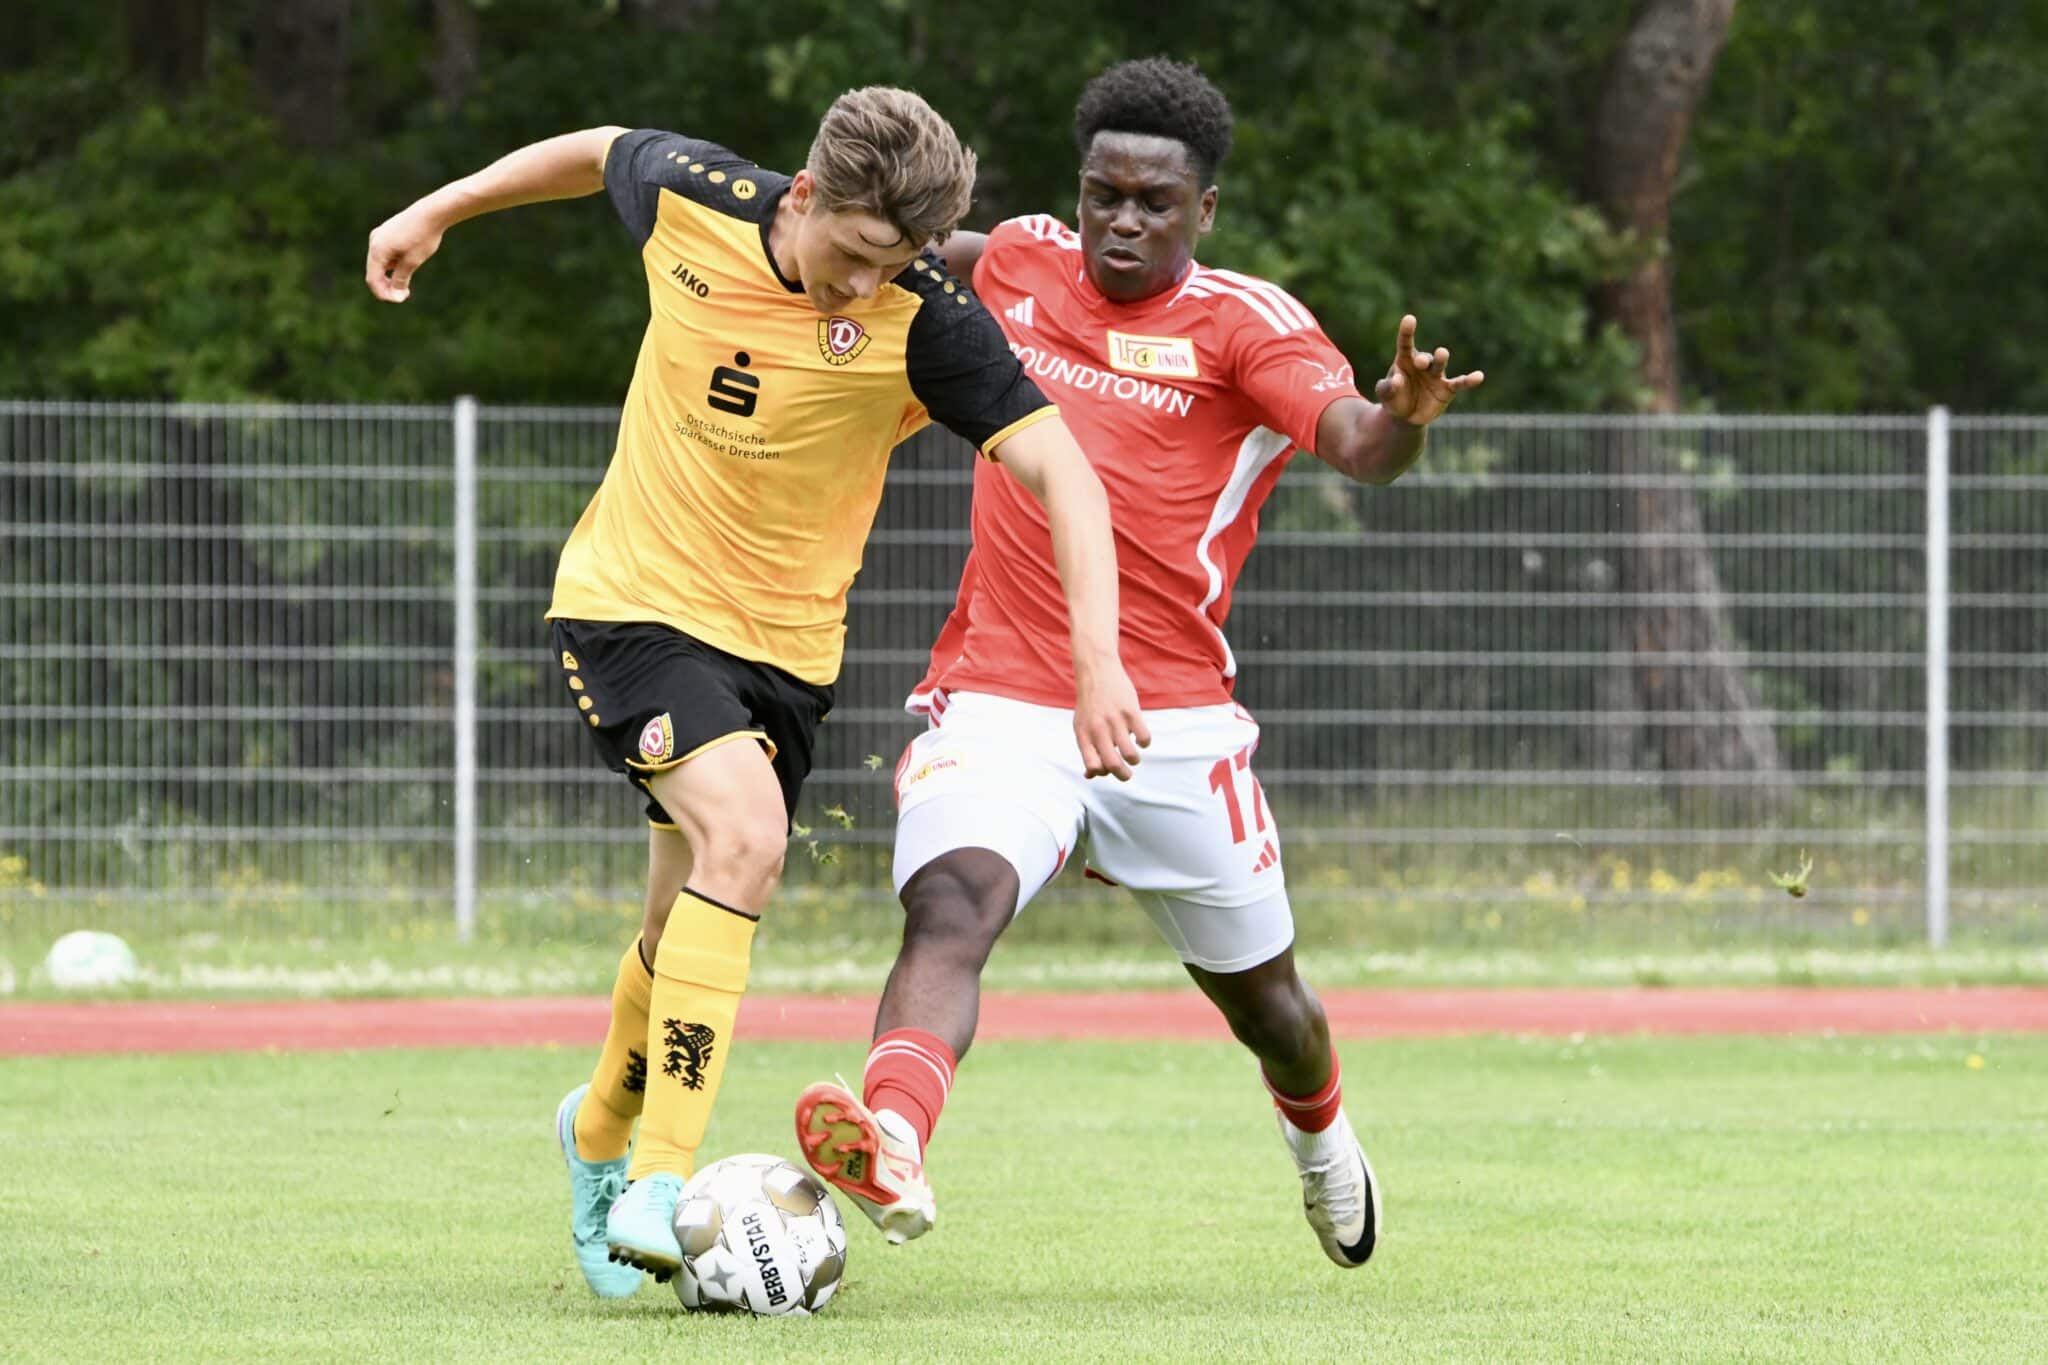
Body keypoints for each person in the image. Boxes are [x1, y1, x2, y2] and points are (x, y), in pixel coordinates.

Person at [364, 87, 1148, 1297]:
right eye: (848, 259)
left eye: (891, 269)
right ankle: (659, 1186)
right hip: (630, 605)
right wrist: (440, 209)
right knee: (748, 836)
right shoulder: (696, 198)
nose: (859, 292)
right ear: (801, 196)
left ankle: (595, 1131)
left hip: (785, 657)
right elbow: (592, 147)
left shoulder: (923, 321)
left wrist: (1099, 663)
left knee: (677, 930)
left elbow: (1068, 477)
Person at [792, 59, 1481, 1268]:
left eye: (1152, 202)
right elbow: (878, 245)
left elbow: (1357, 447)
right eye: (1101, 193)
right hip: (1001, 693)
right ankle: (892, 1139)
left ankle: (1321, 1144)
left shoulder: (1244, 325)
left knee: (1266, 1006)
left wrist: (1403, 420)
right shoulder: (1013, 261)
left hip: (1173, 724)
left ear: (1201, 209)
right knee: (950, 905)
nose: (1121, 219)